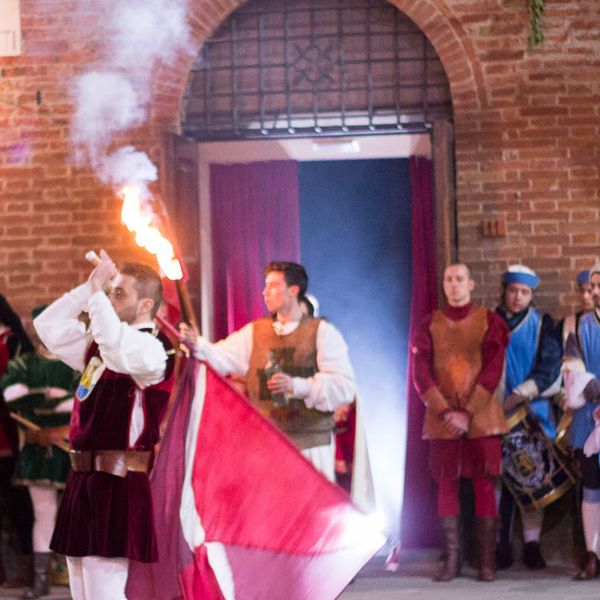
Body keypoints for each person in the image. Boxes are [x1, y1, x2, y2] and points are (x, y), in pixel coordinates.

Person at [32, 251, 175, 600]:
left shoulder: (153, 350)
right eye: (112, 292)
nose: (111, 299)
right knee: (81, 591)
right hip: (83, 479)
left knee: (104, 593)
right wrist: (88, 289)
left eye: (119, 293)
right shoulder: (99, 343)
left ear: (146, 305)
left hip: (118, 482)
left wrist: (97, 295)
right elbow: (47, 326)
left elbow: (116, 347)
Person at [183, 261, 356, 481]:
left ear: (293, 291)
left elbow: (343, 386)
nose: (265, 292)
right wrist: (196, 344)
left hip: (309, 446)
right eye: (266, 285)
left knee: (305, 501)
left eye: (273, 286)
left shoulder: (322, 332)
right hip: (266, 445)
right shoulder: (255, 331)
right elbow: (219, 356)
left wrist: (296, 386)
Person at [411, 263, 509, 582]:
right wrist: (445, 411)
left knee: (484, 484)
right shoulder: (429, 325)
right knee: (446, 485)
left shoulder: (490, 322)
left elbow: (493, 370)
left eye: (459, 279)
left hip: (481, 417)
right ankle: (452, 560)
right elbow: (421, 373)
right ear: (444, 285)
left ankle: (486, 562)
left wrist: (467, 412)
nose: (453, 284)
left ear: (471, 284)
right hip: (443, 420)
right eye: (448, 279)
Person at [1, 305, 79, 599]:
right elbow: (12, 396)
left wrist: (54, 419)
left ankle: (76, 576)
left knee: (78, 513)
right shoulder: (24, 364)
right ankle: (42, 579)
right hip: (37, 446)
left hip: (71, 446)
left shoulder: (77, 365)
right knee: (43, 512)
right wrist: (51, 398)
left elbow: (80, 402)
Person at [495, 264, 563, 570]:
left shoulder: (542, 324)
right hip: (497, 412)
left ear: (531, 295)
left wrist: (522, 393)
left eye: (524, 292)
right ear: (505, 291)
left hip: (532, 411)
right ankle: (501, 544)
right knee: (501, 482)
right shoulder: (490, 321)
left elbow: (550, 366)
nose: (518, 297)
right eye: (513, 290)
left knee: (533, 478)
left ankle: (532, 545)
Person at [563, 262, 600, 579]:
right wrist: (594, 388)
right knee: (592, 487)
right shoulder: (578, 327)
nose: (595, 292)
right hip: (589, 421)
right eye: (593, 285)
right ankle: (593, 555)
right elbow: (572, 372)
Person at [0, 295, 35, 590]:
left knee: (16, 503)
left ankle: (28, 569)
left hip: (8, 433)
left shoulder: (13, 342)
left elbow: (18, 387)